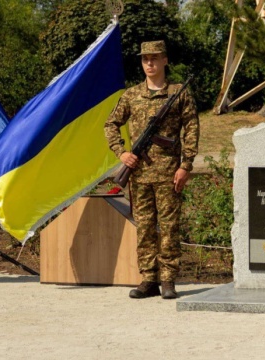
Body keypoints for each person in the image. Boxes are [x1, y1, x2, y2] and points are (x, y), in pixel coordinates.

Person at [104, 40, 199, 299]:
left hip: (170, 173)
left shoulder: (178, 93)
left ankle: (168, 280)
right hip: (139, 175)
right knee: (144, 227)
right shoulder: (132, 95)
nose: (150, 63)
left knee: (169, 227)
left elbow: (191, 128)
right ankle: (149, 279)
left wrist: (186, 164)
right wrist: (121, 153)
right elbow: (110, 124)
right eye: (146, 59)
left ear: (165, 60)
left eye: (155, 58)